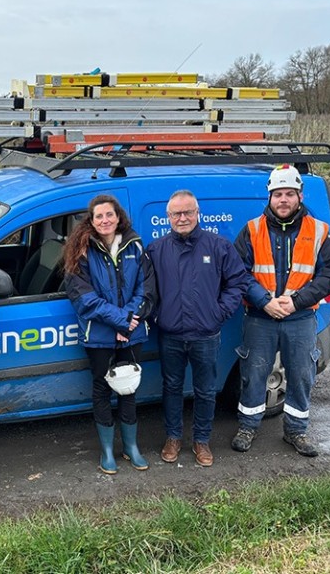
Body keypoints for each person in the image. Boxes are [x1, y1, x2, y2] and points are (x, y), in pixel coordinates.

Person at [231, 164, 330, 457]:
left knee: (301, 375)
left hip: (301, 317)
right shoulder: (252, 230)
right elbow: (237, 273)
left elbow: (329, 276)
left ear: (300, 196)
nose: (283, 200)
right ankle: (248, 426)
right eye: (278, 194)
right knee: (254, 374)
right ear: (269, 197)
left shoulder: (319, 230)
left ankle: (296, 431)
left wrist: (295, 301)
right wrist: (264, 300)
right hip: (260, 317)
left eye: (289, 194)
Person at [147, 190, 247, 467]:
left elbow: (237, 283)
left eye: (188, 212)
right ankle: (173, 437)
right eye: (176, 214)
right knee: (172, 387)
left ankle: (201, 440)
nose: (182, 218)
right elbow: (147, 291)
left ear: (197, 213)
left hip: (206, 335)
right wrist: (157, 316)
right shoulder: (156, 250)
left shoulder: (218, 246)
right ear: (167, 217)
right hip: (170, 335)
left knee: (205, 390)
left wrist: (218, 313)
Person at [63, 194, 158, 474]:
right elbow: (83, 298)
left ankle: (131, 447)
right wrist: (119, 321)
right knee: (102, 389)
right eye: (99, 216)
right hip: (100, 334)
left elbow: (147, 289)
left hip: (132, 332)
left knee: (128, 388)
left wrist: (128, 321)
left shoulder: (135, 246)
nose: (105, 220)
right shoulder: (80, 250)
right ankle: (107, 451)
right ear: (90, 221)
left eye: (109, 215)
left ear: (119, 217)